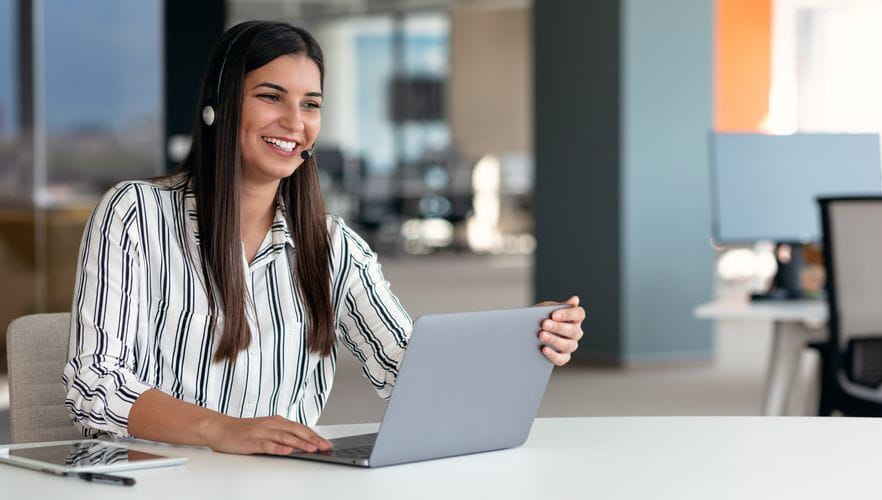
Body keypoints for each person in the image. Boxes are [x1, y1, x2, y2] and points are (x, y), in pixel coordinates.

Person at [62, 21, 585, 456]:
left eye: (311, 105)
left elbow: (407, 371)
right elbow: (94, 385)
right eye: (272, 97)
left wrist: (522, 341)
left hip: (278, 483)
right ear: (218, 105)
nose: (295, 122)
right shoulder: (135, 213)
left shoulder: (333, 246)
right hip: (152, 482)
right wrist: (225, 430)